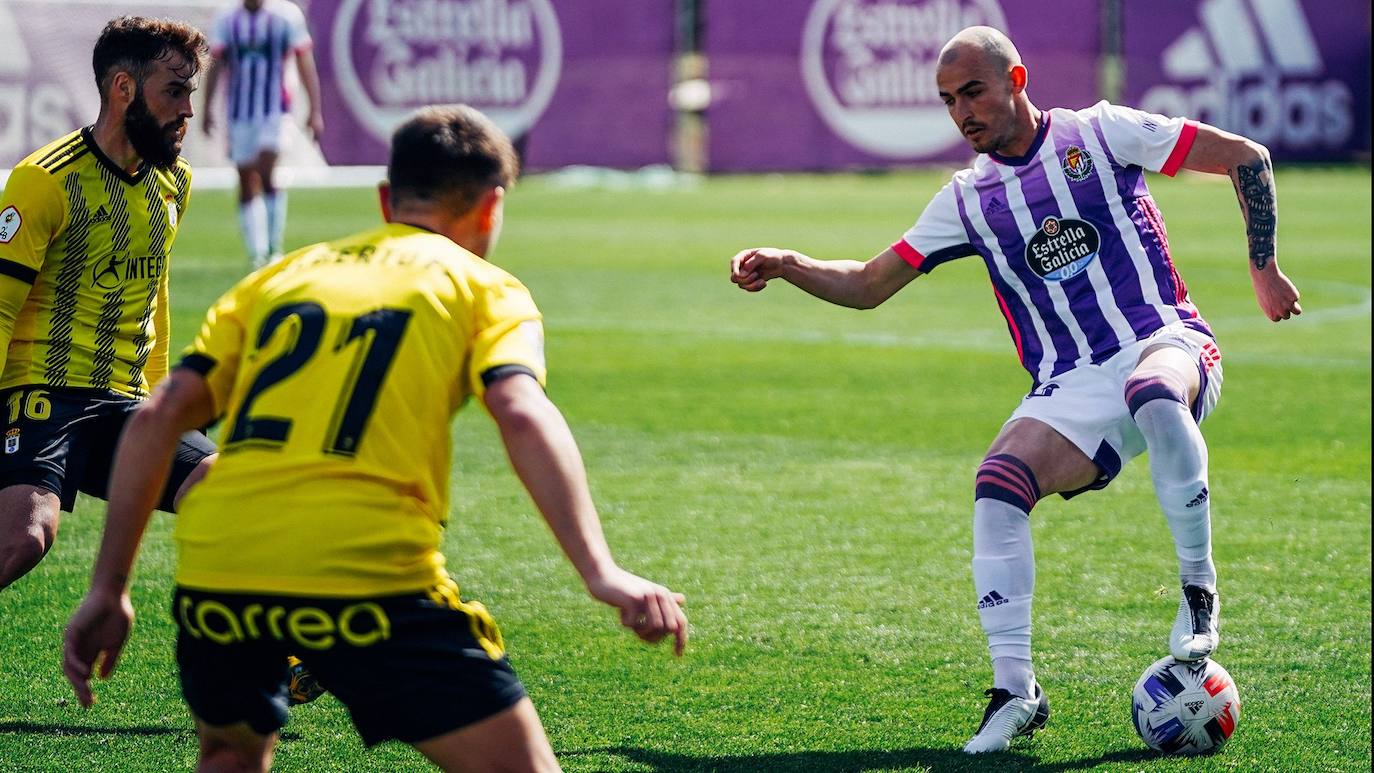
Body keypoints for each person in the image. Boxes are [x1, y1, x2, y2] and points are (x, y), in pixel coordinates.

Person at [63, 104, 688, 772]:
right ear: (492, 207)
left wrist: (110, 586)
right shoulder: (485, 287)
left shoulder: (277, 279)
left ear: (386, 198)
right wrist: (601, 572)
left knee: (229, 756)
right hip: (368, 574)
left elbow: (158, 417)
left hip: (223, 568)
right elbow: (521, 410)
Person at [729, 26, 1300, 754]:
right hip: (1069, 383)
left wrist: (1263, 267)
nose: (962, 112)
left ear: (1016, 80)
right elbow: (871, 283)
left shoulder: (1101, 132)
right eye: (947, 101)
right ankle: (1015, 689)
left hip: (1167, 342)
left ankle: (1198, 588)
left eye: (973, 92)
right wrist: (787, 261)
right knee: (997, 484)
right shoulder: (967, 200)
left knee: (1154, 392)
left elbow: (1246, 157)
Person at [0, 17, 216, 593]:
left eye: (190, 92)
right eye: (175, 91)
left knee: (224, 484)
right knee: (25, 535)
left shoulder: (174, 182)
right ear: (123, 89)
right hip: (39, 391)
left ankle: (291, 655)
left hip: (124, 401)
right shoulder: (43, 181)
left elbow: (154, 295)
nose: (188, 112)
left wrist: (161, 401)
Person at [202, 0, 323, 268]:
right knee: (246, 179)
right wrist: (207, 108)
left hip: (275, 110)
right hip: (238, 113)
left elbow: (304, 61)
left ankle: (274, 247)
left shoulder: (286, 16)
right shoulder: (227, 19)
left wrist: (315, 109)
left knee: (267, 168)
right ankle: (256, 252)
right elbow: (216, 64)